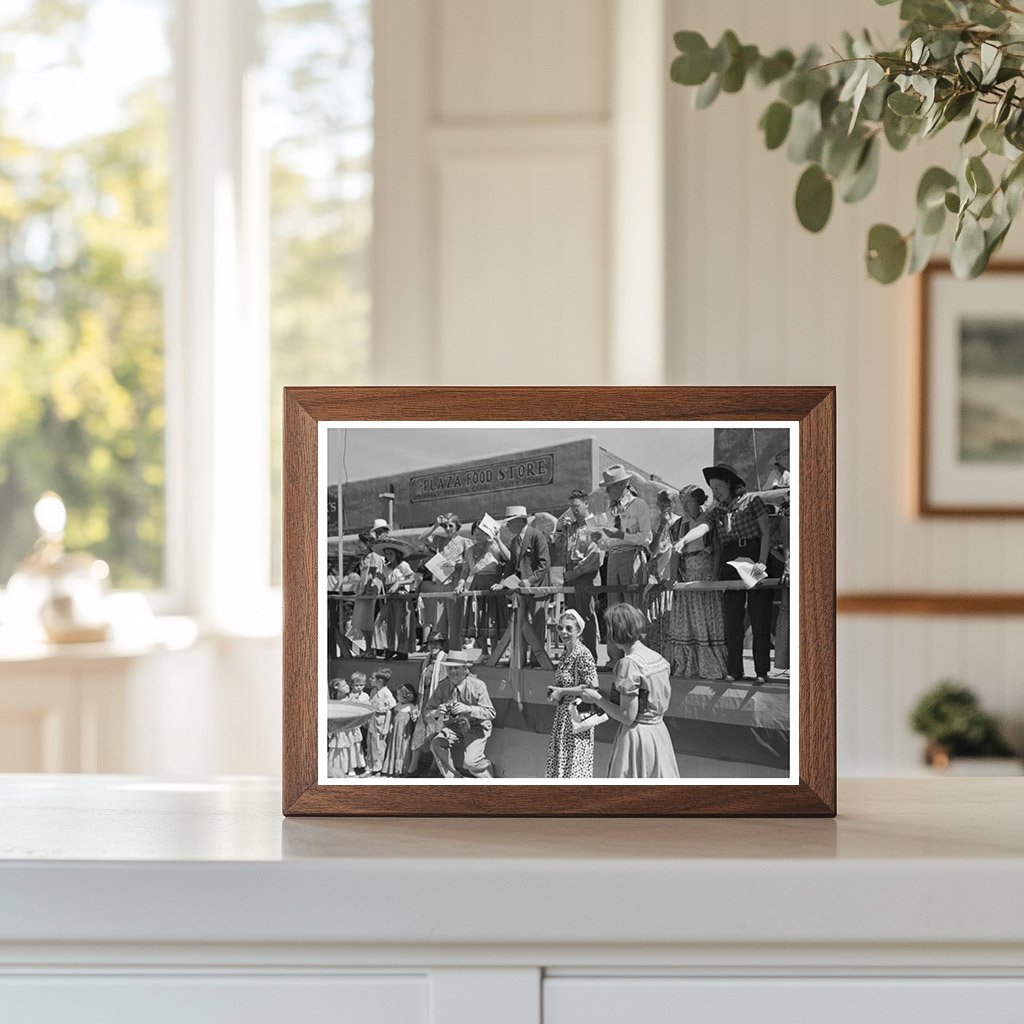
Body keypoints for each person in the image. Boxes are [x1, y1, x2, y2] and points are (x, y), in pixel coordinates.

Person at [580, 604, 680, 779]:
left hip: (637, 738)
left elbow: (627, 715)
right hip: (658, 734)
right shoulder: (657, 658)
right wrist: (602, 693)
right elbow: (645, 698)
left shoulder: (629, 664)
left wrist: (596, 698)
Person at [703, 463, 773, 682]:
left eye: (718, 485)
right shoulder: (716, 512)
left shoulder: (752, 501)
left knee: (758, 614)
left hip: (752, 554)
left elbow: (765, 533)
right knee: (732, 618)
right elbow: (711, 537)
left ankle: (761, 671)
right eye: (712, 487)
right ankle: (735, 669)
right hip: (730, 559)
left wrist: (761, 562)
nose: (715, 491)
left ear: (730, 483)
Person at [667, 485, 728, 679]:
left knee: (706, 617)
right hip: (687, 574)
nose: (684, 507)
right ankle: (688, 663)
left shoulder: (709, 518)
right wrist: (673, 578)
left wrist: (716, 571)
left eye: (688, 502)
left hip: (706, 572)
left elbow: (717, 547)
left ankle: (711, 664)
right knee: (688, 620)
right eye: (682, 502)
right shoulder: (677, 525)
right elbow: (675, 554)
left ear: (699, 501)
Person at [545, 610, 602, 779]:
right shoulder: (565, 654)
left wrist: (563, 691)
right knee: (562, 760)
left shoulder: (583, 653)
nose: (563, 632)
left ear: (579, 631)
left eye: (569, 628)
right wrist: (556, 692)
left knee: (575, 762)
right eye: (560, 628)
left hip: (577, 716)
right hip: (563, 716)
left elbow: (593, 686)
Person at [426, 650, 496, 778]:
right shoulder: (443, 686)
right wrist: (436, 713)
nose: (453, 672)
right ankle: (455, 779)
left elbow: (491, 713)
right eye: (449, 668)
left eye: (456, 668)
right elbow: (428, 713)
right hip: (453, 727)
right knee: (436, 744)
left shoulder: (478, 685)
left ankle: (488, 777)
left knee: (470, 763)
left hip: (476, 727)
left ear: (465, 669)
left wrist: (468, 709)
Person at [555, 489, 603, 662]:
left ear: (586, 504)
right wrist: (562, 531)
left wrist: (575, 572)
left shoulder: (594, 525)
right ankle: (574, 654)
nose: (574, 510)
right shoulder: (571, 528)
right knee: (571, 617)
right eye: (571, 507)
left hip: (585, 575)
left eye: (576, 506)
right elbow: (561, 550)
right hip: (570, 573)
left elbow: (595, 557)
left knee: (586, 618)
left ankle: (590, 656)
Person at [501, 504, 551, 663]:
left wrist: (530, 580)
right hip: (522, 590)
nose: (508, 526)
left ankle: (538, 661)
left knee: (537, 626)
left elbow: (545, 563)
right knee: (520, 625)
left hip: (537, 590)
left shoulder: (537, 535)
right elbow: (511, 564)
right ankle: (520, 659)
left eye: (510, 522)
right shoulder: (515, 540)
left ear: (520, 521)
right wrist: (504, 582)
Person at [598, 465, 652, 609]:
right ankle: (616, 632)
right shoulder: (610, 510)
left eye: (610, 487)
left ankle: (636, 632)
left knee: (632, 604)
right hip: (613, 559)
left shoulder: (639, 505)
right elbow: (608, 543)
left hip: (632, 557)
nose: (607, 491)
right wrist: (600, 540)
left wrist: (622, 535)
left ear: (623, 485)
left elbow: (647, 538)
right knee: (614, 605)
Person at [456, 516, 511, 656]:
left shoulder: (494, 546)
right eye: (476, 532)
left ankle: (495, 653)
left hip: (493, 586)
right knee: (477, 620)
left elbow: (508, 557)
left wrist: (498, 540)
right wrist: (461, 584)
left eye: (482, 532)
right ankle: (484, 652)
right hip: (477, 586)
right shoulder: (469, 550)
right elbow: (465, 571)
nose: (479, 535)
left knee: (492, 620)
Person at [418, 513, 472, 651]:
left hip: (455, 583)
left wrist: (456, 565)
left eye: (451, 526)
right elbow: (421, 538)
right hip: (441, 583)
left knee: (455, 620)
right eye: (445, 526)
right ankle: (442, 651)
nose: (448, 529)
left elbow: (469, 564)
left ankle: (455, 651)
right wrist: (436, 525)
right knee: (440, 621)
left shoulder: (465, 541)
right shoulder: (440, 541)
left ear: (457, 526)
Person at [644, 488, 680, 655]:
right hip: (655, 577)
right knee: (652, 621)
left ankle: (670, 658)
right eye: (660, 502)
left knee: (669, 620)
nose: (663, 506)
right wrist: (662, 526)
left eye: (666, 502)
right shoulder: (653, 521)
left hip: (672, 576)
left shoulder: (680, 522)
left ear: (673, 504)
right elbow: (652, 549)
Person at [376, 540, 419, 659]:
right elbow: (385, 582)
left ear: (397, 554)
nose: (388, 556)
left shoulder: (403, 565)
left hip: (401, 598)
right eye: (387, 554)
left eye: (391, 554)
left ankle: (401, 651)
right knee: (383, 623)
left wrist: (399, 583)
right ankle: (389, 647)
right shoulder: (386, 568)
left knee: (401, 624)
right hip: (390, 599)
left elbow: (412, 579)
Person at [351, 532, 385, 657]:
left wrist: (368, 589)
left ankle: (371, 649)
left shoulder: (374, 556)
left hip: (370, 594)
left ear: (367, 543)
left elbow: (374, 574)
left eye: (360, 542)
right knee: (361, 623)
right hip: (362, 592)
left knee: (368, 623)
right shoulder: (364, 558)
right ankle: (367, 649)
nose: (358, 545)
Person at [382, 684, 420, 777]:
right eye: (400, 696)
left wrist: (414, 716)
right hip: (395, 732)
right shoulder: (397, 706)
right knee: (394, 747)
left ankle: (401, 770)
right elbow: (393, 716)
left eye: (404, 696)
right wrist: (390, 725)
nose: (401, 698)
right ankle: (391, 768)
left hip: (404, 733)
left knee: (403, 749)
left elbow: (414, 719)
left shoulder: (411, 707)